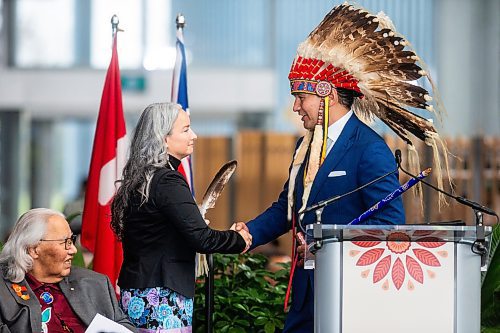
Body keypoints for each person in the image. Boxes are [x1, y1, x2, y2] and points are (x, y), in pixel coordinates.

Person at [236, 3, 450, 332]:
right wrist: (249, 233)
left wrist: (329, 245)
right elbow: (289, 209)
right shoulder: (304, 147)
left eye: (300, 97)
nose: (295, 107)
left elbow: (388, 228)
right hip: (307, 295)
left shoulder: (370, 150)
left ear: (328, 95)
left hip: (350, 296)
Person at [111, 102, 252, 332]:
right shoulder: (167, 180)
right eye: (185, 130)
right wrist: (238, 239)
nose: (194, 136)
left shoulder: (141, 178)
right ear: (163, 138)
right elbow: (202, 239)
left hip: (137, 290)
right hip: (161, 295)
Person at [0, 208, 135, 333]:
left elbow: (125, 327)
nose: (74, 250)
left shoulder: (95, 283)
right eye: (66, 242)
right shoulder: (4, 291)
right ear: (33, 249)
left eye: (72, 240)